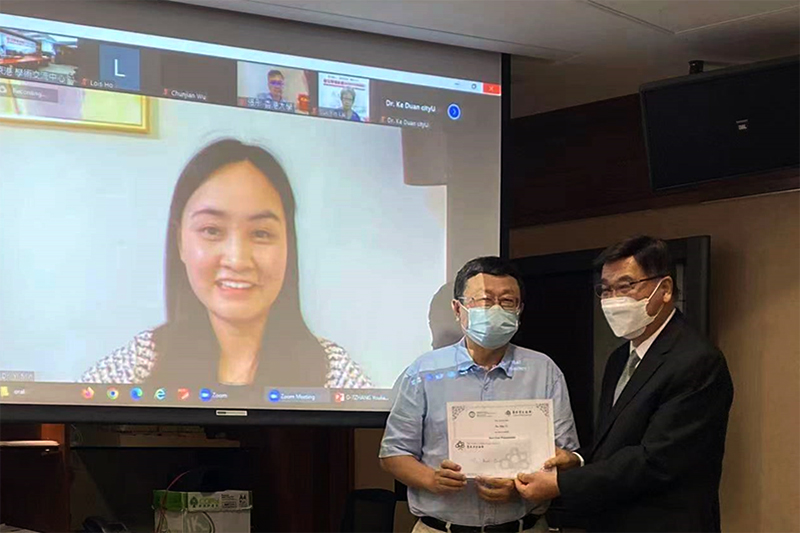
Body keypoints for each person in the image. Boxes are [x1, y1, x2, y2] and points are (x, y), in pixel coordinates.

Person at [82, 139, 371, 389]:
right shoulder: (141, 361)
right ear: (180, 242)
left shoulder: (333, 372)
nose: (237, 259)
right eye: (211, 230)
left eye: (261, 233)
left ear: (288, 245)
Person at [515, 236, 734, 532]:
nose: (613, 299)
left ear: (665, 289)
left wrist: (560, 484)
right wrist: (577, 461)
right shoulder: (620, 357)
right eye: (605, 290)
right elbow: (616, 442)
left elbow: (657, 461)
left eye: (626, 286)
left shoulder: (696, 360)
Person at [380, 256, 580, 533]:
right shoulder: (424, 371)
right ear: (458, 308)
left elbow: (566, 457)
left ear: (519, 310)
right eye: (484, 300)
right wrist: (432, 479)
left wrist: (523, 487)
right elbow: (393, 453)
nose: (495, 309)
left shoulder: (543, 370)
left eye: (507, 301)